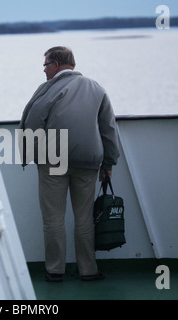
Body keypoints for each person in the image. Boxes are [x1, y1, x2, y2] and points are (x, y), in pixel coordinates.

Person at [18, 46, 120, 282]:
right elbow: (108, 128)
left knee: (53, 218)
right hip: (88, 162)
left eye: (45, 65)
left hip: (54, 160)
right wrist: (108, 163)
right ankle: (88, 270)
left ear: (55, 65)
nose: (44, 71)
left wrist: (30, 155)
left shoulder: (49, 89)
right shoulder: (97, 88)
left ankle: (55, 270)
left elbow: (34, 121)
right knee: (84, 217)